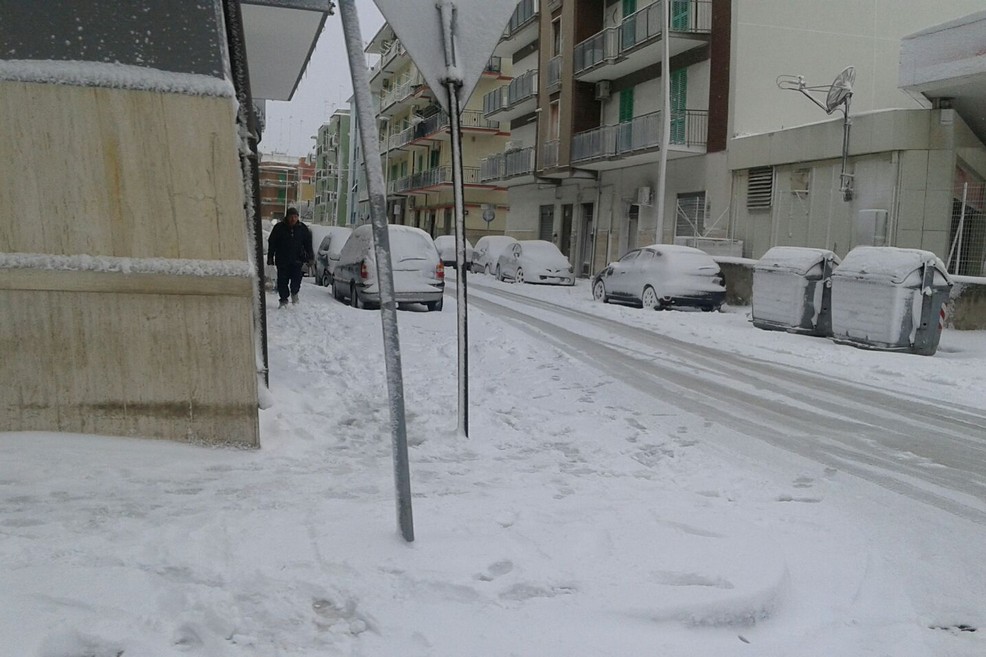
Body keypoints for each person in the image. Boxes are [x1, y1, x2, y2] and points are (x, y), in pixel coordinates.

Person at [267, 207, 314, 308]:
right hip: (282, 260)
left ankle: (294, 293)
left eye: (295, 217)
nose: (293, 219)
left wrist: (310, 257)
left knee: (296, 280)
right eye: (291, 217)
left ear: (298, 217)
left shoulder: (303, 229)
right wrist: (270, 257)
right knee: (282, 281)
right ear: (287, 217)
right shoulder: (279, 228)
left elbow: (308, 244)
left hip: (297, 260)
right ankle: (283, 299)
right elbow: (272, 243)